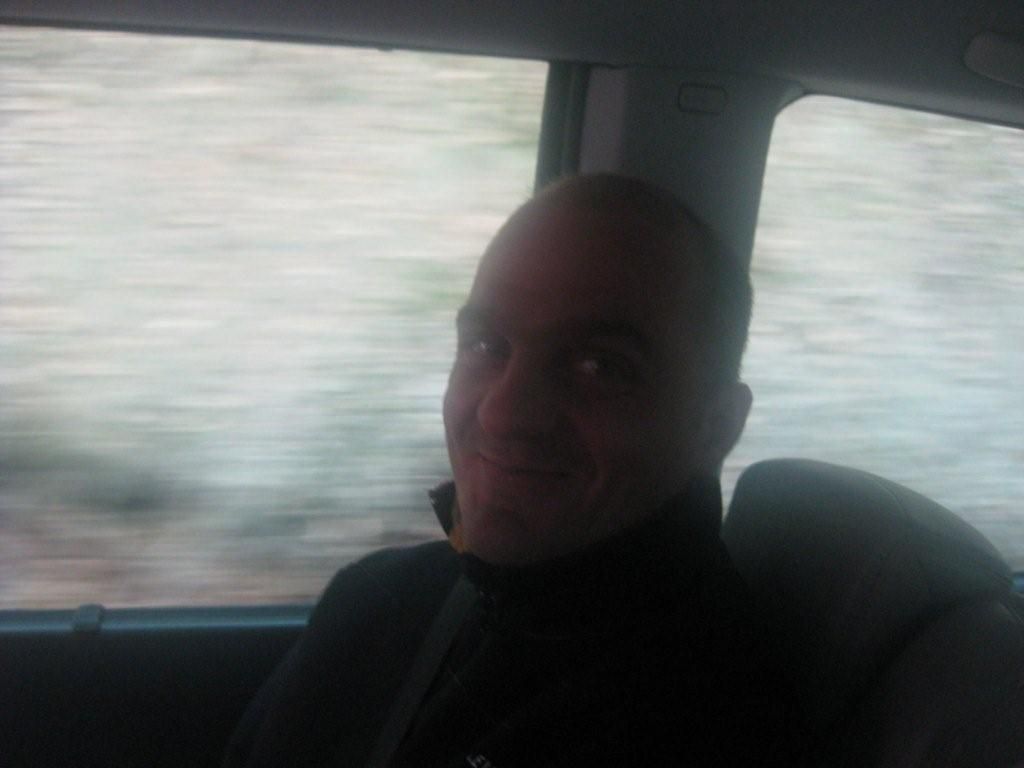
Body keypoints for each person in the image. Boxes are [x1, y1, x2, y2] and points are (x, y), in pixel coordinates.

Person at [223, 174, 791, 767]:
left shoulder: (706, 719)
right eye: (485, 345)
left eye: (600, 366)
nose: (502, 413)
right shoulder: (380, 598)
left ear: (716, 426)